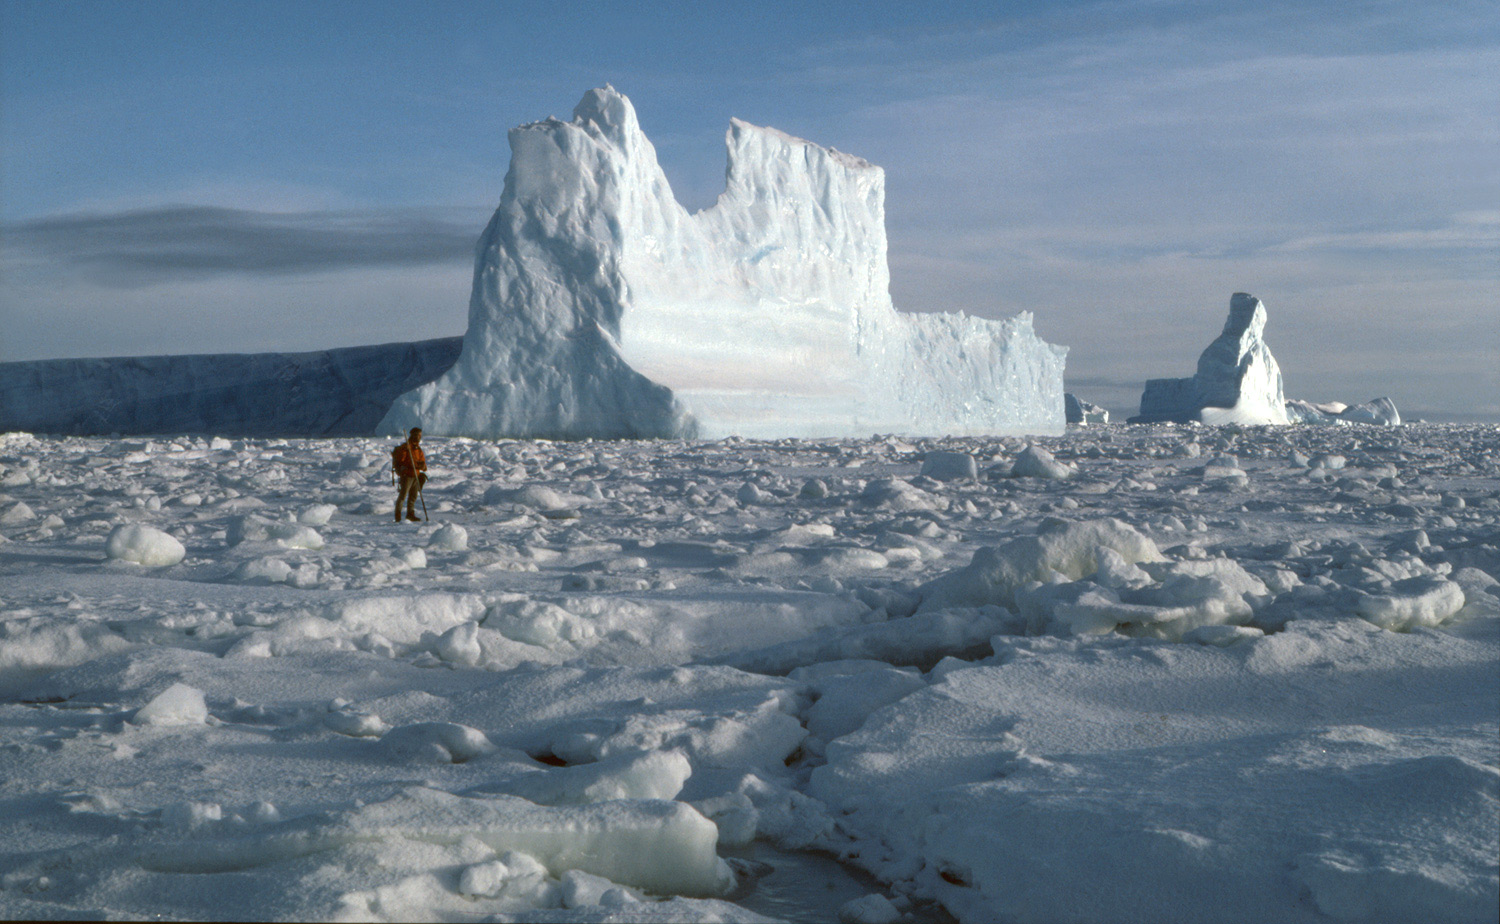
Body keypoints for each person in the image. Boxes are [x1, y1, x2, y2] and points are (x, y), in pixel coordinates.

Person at [392, 427, 428, 522]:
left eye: (420, 435)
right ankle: (398, 516)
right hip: (407, 476)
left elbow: (424, 466)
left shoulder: (418, 449)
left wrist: (421, 465)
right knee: (403, 496)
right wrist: (405, 450)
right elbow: (401, 460)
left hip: (416, 475)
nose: (419, 437)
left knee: (413, 496)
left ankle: (410, 514)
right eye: (418, 435)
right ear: (413, 435)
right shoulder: (406, 447)